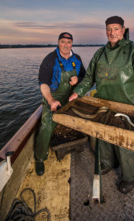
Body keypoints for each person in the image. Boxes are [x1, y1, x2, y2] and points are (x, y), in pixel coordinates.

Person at [69, 16, 134, 194]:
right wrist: (77, 92)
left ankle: (130, 176)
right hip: (103, 105)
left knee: (124, 141)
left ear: (123, 29)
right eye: (109, 29)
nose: (112, 32)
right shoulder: (99, 53)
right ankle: (107, 162)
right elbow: (89, 78)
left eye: (116, 29)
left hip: (126, 107)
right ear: (106, 31)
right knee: (103, 135)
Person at [35, 32, 86, 176]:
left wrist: (78, 80)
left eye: (68, 42)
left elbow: (84, 77)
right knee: (46, 126)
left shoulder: (78, 59)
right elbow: (43, 83)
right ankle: (40, 158)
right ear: (58, 43)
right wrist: (51, 100)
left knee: (81, 119)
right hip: (53, 97)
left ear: (72, 44)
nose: (65, 45)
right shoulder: (50, 59)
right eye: (63, 42)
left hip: (70, 97)